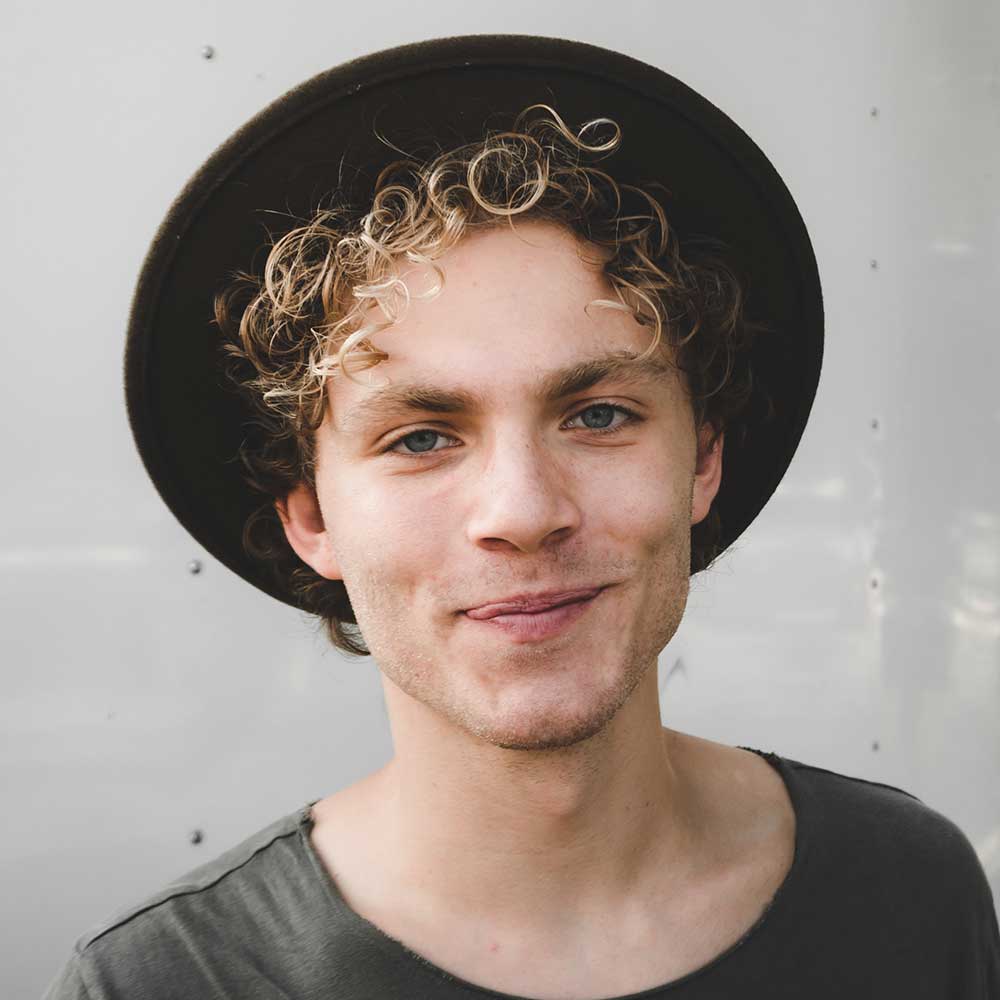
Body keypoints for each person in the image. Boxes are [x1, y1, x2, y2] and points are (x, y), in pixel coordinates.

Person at [44, 35, 999, 999]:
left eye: (598, 415)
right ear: (311, 517)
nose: (524, 511)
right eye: (422, 437)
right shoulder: (162, 983)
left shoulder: (909, 892)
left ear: (703, 462)